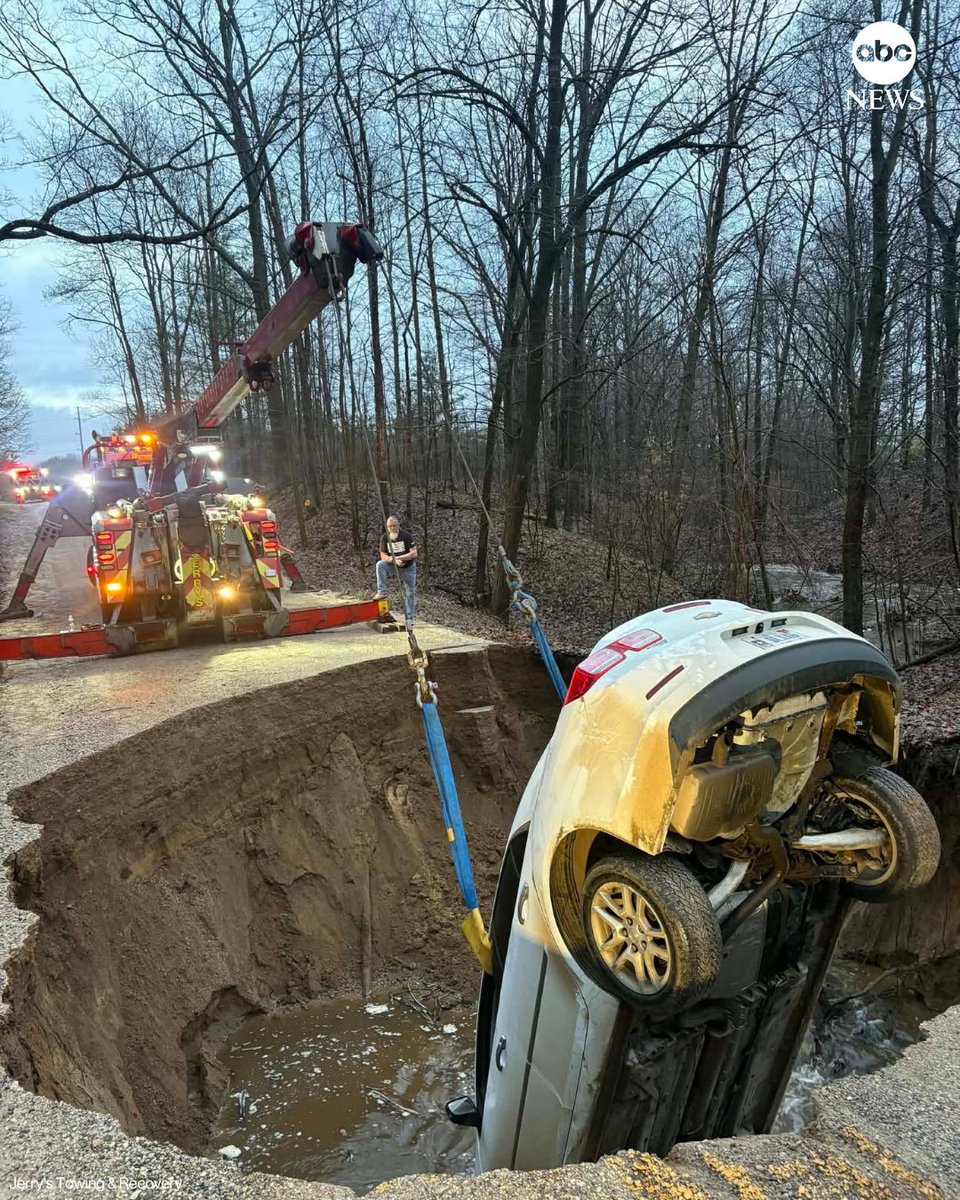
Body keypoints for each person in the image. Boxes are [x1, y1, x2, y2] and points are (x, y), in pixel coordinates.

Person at [375, 514, 418, 628]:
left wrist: (399, 558)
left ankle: (409, 618)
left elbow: (414, 553)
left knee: (410, 593)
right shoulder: (384, 538)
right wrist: (394, 561)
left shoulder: (407, 536)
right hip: (394, 567)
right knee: (380, 565)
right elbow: (383, 556)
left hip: (408, 569)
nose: (393, 528)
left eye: (394, 526)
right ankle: (382, 591)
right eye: (390, 526)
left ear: (398, 526)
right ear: (387, 527)